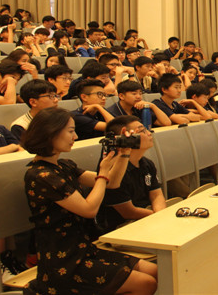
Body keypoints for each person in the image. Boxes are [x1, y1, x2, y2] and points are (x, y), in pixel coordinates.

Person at [22, 108, 157, 295]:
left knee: (154, 271)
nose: (75, 136)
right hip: (63, 260)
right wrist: (103, 172)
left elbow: (112, 183)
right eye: (70, 131)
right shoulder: (41, 175)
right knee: (146, 283)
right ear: (51, 133)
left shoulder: (64, 165)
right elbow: (89, 209)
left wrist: (123, 154)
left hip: (83, 248)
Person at [97, 115, 166, 233]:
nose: (149, 133)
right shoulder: (115, 170)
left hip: (149, 218)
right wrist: (158, 217)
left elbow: (156, 195)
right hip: (122, 227)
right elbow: (128, 212)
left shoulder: (147, 163)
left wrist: (161, 215)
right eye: (142, 131)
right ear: (125, 138)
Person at [106, 80, 172, 127]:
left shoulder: (140, 108)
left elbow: (167, 123)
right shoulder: (112, 112)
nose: (138, 97)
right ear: (121, 96)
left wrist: (153, 106)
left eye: (140, 94)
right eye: (134, 94)